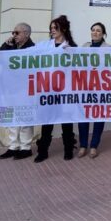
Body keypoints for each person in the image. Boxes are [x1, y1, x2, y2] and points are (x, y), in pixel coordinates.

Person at [34, 15, 77, 163]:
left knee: (66, 122)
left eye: (55, 28)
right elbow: (27, 54)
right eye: (51, 28)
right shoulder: (44, 46)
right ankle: (43, 151)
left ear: (63, 29)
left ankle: (68, 149)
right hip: (49, 90)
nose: (52, 30)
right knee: (47, 122)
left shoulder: (72, 48)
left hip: (65, 91)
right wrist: (9, 45)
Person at [0, 22, 36, 160]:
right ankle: (13, 146)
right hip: (9, 88)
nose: (14, 35)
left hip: (24, 89)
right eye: (13, 32)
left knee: (24, 118)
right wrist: (6, 44)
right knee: (10, 118)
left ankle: (25, 147)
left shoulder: (32, 48)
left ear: (26, 34)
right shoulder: (10, 45)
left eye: (17, 33)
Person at [78, 22, 109, 159]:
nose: (95, 32)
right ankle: (83, 145)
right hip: (85, 87)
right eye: (93, 30)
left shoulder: (109, 48)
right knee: (83, 118)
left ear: (103, 34)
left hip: (101, 88)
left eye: (98, 30)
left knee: (98, 118)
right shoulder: (84, 46)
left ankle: (94, 146)